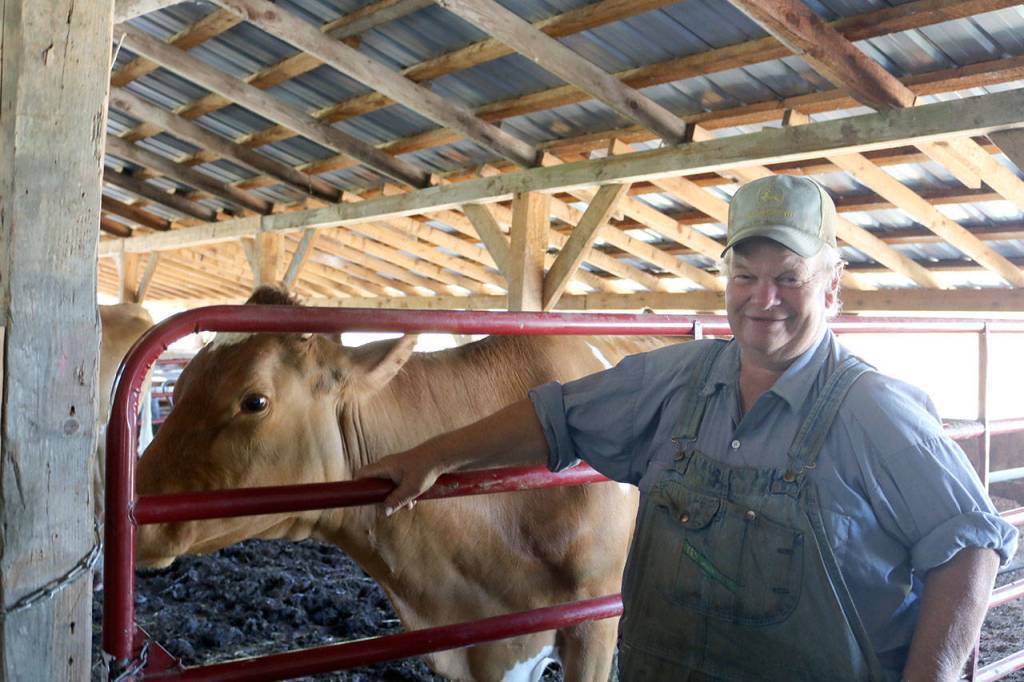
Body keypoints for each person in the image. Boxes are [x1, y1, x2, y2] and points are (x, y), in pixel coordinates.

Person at [356, 175, 1019, 681]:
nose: (764, 301)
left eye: (789, 278)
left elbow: (970, 547)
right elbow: (555, 415)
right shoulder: (676, 380)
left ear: (832, 287)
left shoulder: (873, 411)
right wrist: (436, 455)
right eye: (745, 276)